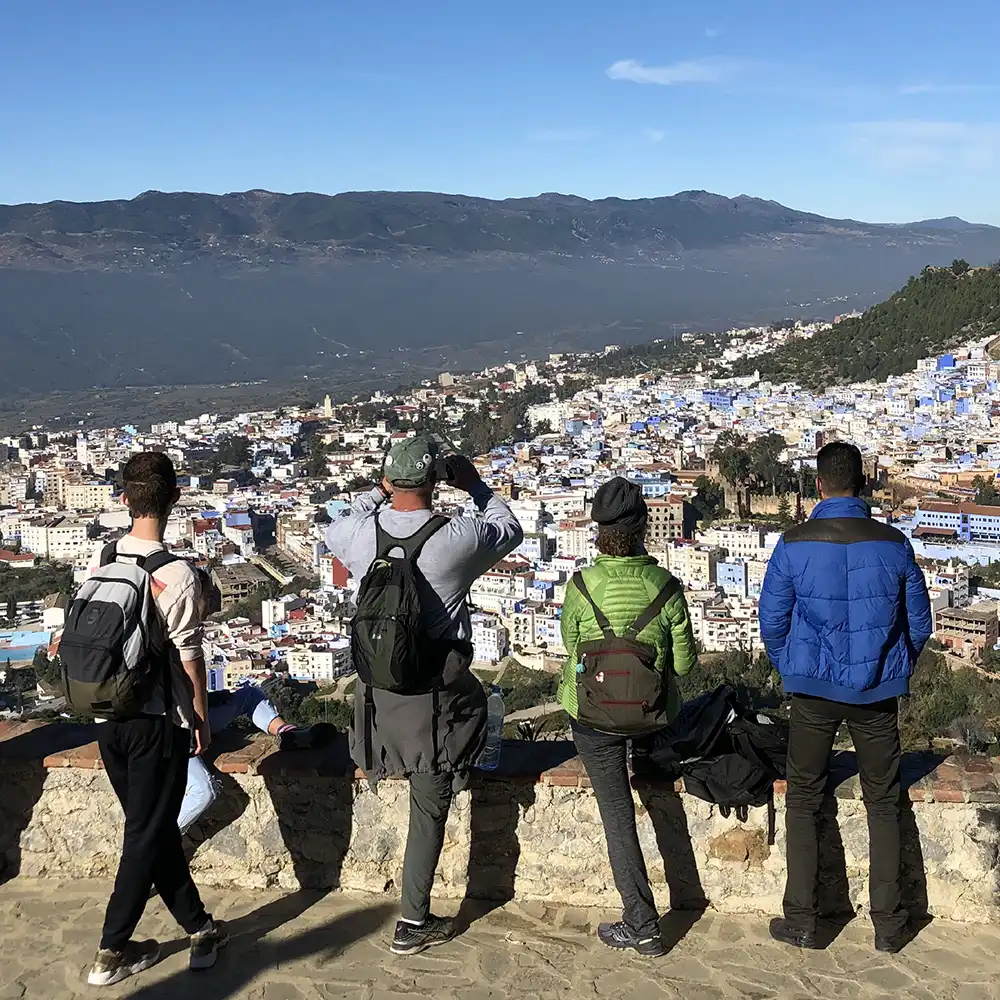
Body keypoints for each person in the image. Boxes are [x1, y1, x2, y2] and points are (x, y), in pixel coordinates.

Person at [325, 434, 523, 956]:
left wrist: (376, 492)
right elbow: (509, 528)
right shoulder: (452, 538)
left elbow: (334, 526)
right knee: (430, 804)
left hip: (377, 698)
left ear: (391, 481)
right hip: (435, 702)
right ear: (435, 481)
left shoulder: (360, 536)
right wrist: (476, 484)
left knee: (429, 785)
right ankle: (413, 922)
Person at [759, 441, 932, 954]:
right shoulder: (895, 544)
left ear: (818, 485)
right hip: (877, 692)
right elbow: (919, 623)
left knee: (805, 797)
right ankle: (889, 923)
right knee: (884, 799)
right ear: (864, 484)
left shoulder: (793, 544)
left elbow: (772, 621)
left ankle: (802, 919)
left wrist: (793, 667)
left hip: (812, 689)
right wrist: (893, 666)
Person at [86, 453, 227, 986]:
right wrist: (200, 716)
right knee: (145, 834)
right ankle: (111, 949)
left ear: (125, 499)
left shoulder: (102, 559)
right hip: (155, 723)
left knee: (153, 830)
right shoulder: (177, 574)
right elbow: (189, 654)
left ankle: (201, 929)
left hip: (106, 719)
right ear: (173, 500)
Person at [559, 477, 698, 958]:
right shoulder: (666, 587)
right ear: (643, 528)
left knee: (618, 815)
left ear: (598, 532)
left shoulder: (581, 586)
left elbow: (572, 650)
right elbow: (684, 666)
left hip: (593, 717)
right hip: (653, 718)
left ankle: (642, 922)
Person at [178, 682, 333, 833]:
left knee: (250, 695)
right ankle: (158, 842)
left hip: (193, 721)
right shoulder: (178, 659)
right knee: (203, 791)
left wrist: (208, 699)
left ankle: (287, 733)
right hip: (174, 734)